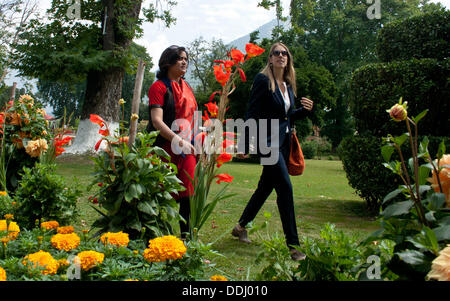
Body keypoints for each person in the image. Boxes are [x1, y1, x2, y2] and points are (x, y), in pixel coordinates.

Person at [233, 42, 314, 261]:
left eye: (284, 53)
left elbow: (285, 117)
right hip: (266, 142)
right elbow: (252, 112)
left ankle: (240, 227)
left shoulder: (288, 84)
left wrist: (303, 112)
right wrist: (243, 143)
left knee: (264, 188)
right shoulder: (262, 81)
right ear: (270, 58)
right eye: (276, 53)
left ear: (288, 58)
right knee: (285, 189)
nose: (280, 56)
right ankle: (294, 246)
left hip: (283, 142)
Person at [147, 45, 198, 239]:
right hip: (164, 148)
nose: (184, 61)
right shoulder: (158, 87)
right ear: (168, 62)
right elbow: (156, 120)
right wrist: (177, 139)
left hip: (187, 149)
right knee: (161, 193)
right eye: (179, 58)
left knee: (188, 194)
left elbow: (193, 117)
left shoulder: (188, 87)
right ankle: (154, 237)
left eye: (186, 58)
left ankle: (187, 239)